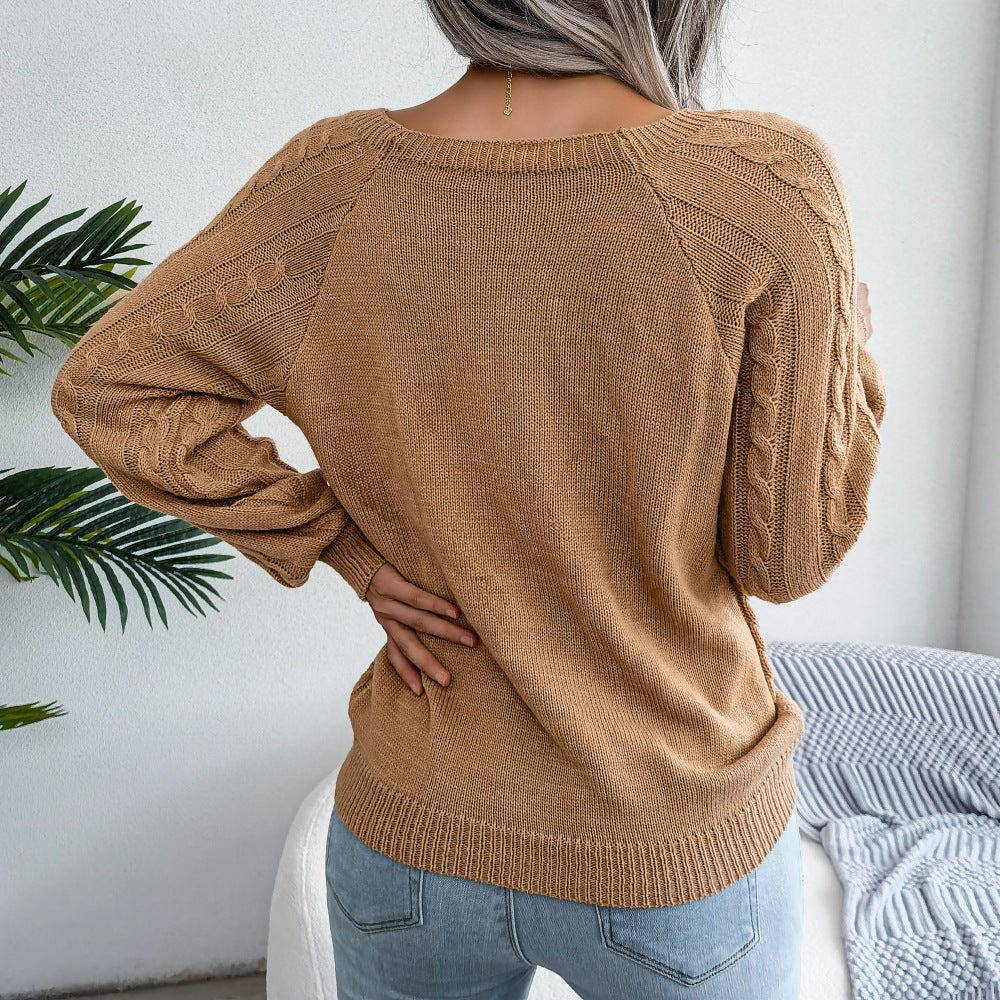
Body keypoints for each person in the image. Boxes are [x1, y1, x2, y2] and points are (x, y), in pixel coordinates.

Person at [50, 2, 886, 998]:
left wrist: (346, 550)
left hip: (411, 839)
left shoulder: (338, 179)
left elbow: (111, 384)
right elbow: (787, 560)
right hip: (668, 845)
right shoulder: (764, 186)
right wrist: (849, 365)